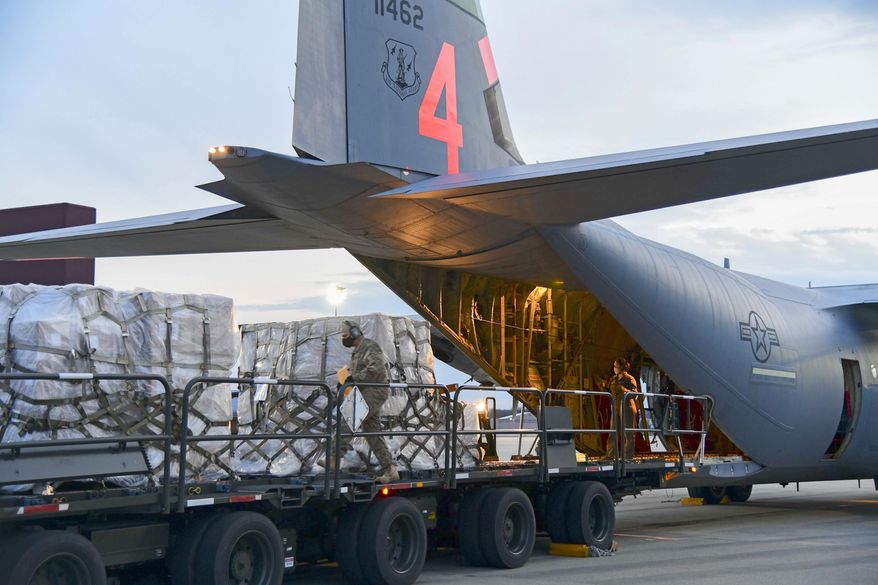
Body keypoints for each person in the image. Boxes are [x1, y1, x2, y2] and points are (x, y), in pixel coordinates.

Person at [337, 320, 399, 483]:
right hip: (366, 390)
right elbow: (356, 373)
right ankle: (390, 470)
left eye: (345, 335)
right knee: (373, 434)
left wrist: (353, 379)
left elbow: (375, 370)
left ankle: (333, 459)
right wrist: (345, 380)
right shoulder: (357, 351)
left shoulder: (369, 346)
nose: (344, 338)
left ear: (355, 332)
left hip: (375, 390)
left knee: (350, 418)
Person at [603, 357, 640, 460]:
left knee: (628, 433)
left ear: (620, 367)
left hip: (627, 407)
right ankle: (610, 455)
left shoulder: (629, 378)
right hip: (615, 406)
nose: (614, 368)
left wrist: (623, 390)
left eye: (615, 366)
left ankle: (627, 457)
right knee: (613, 432)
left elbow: (634, 394)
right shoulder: (613, 379)